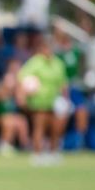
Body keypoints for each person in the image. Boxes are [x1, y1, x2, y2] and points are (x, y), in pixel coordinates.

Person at [17, 35, 68, 165]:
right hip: (39, 100)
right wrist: (22, 95)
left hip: (54, 100)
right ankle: (37, 153)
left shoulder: (58, 63)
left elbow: (63, 83)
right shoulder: (35, 62)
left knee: (56, 128)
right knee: (39, 126)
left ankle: (53, 152)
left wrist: (65, 99)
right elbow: (23, 78)